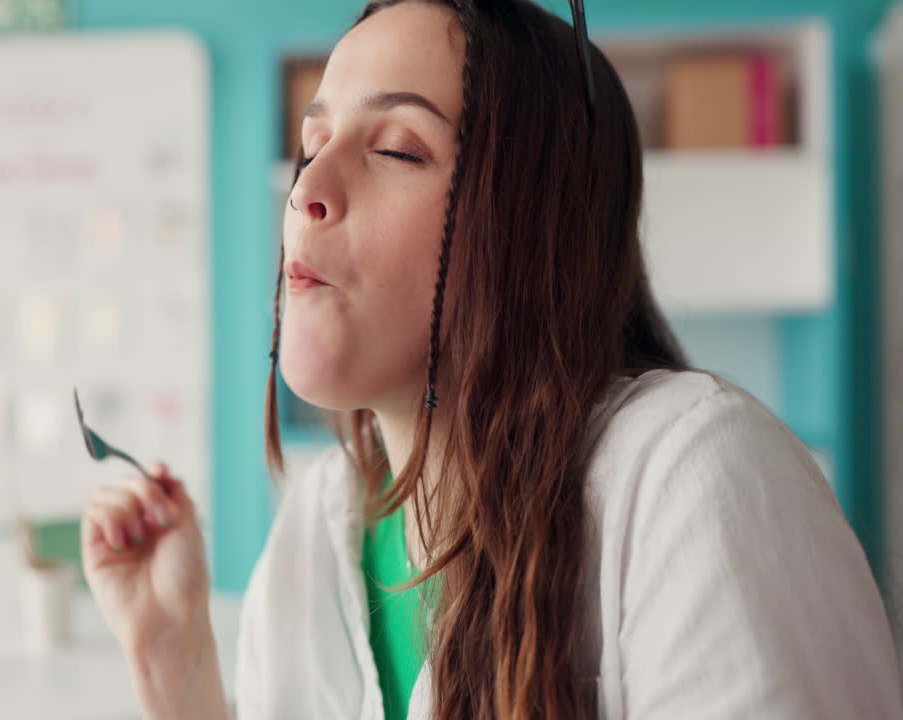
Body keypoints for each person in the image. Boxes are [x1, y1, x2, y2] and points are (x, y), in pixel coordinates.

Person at [80, 1, 903, 717]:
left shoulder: (697, 478)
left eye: (398, 149)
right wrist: (173, 661)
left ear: (533, 236)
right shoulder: (312, 528)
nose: (306, 191)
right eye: (310, 144)